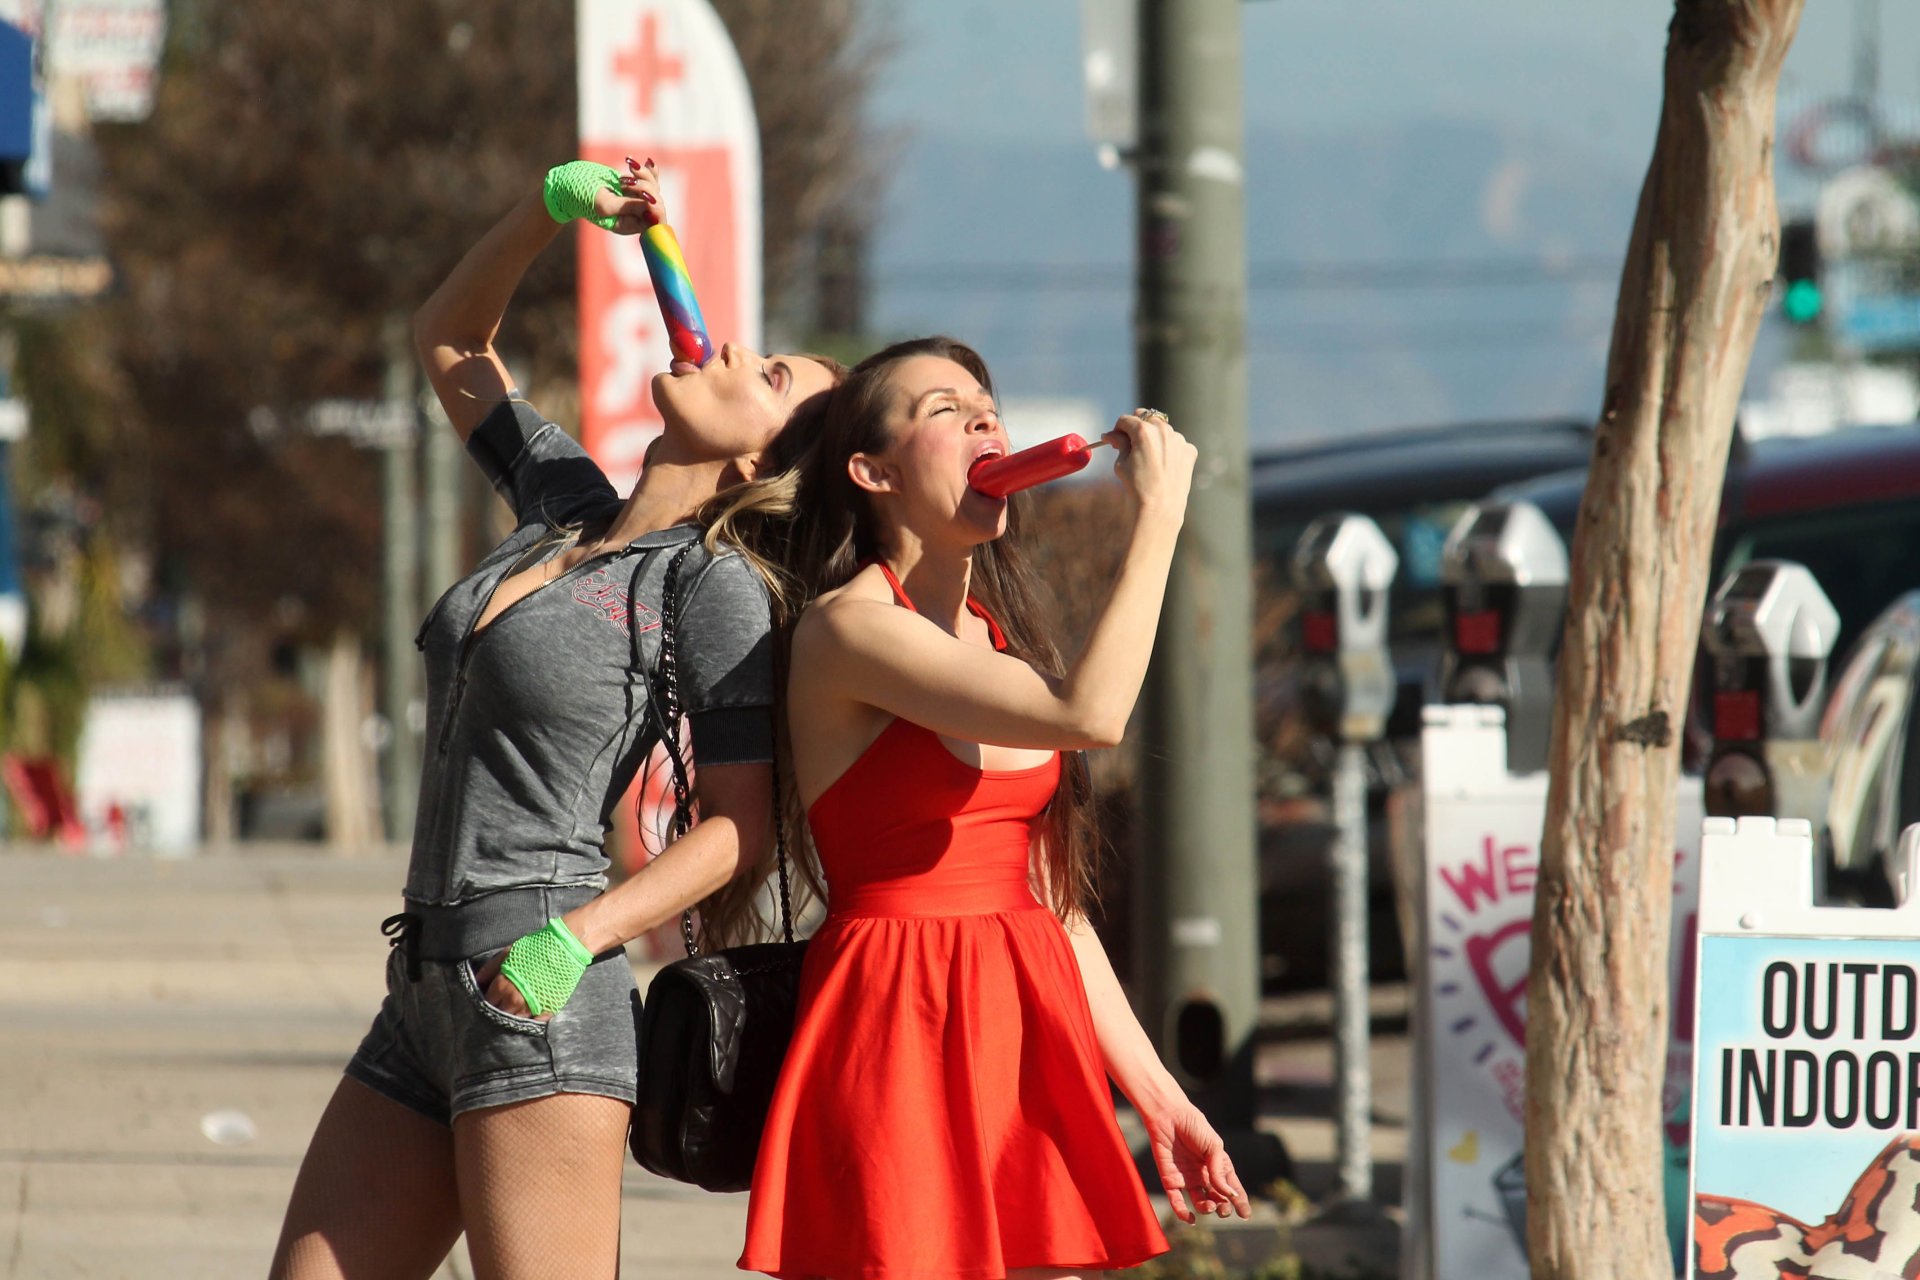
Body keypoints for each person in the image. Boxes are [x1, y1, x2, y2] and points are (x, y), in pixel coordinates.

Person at [269, 158, 842, 1279]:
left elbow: (742, 827)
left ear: (764, 459)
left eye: (770, 372)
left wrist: (577, 940)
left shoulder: (708, 586)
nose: (730, 346)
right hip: (423, 985)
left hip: (540, 989)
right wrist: (549, 207)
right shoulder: (565, 504)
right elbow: (448, 339)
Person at [740, 337, 1253, 1280]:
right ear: (874, 473)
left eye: (987, 405)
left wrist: (1159, 1096)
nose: (985, 418)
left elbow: (1055, 906)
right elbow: (1093, 716)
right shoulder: (850, 628)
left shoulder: (995, 641)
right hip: (901, 1018)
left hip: (1026, 1020)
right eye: (943, 409)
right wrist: (1159, 517)